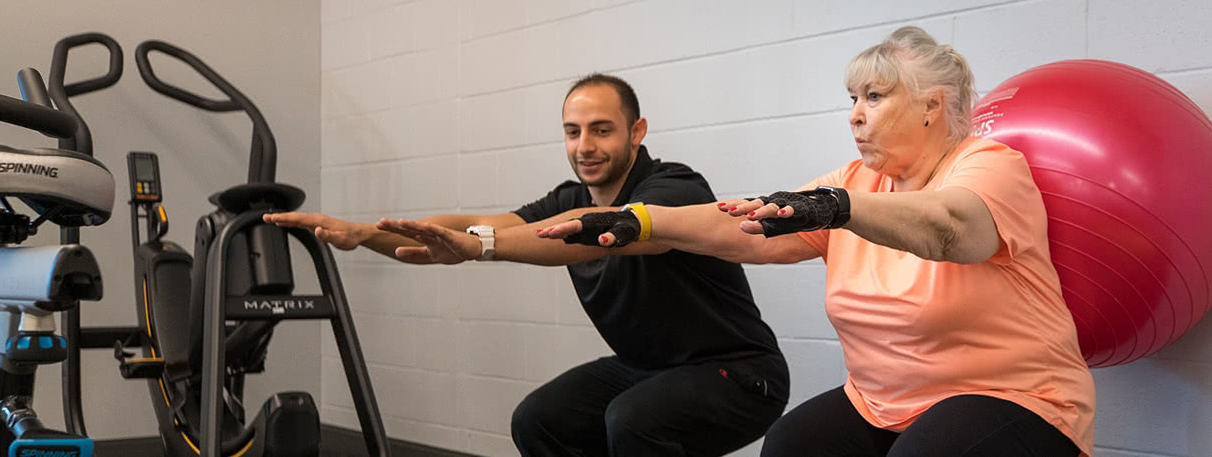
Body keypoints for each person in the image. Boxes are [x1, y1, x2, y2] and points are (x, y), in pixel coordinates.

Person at [388, 27, 1096, 456]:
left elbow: (952, 230)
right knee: (793, 446)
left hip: (1014, 396)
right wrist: (634, 222)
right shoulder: (855, 180)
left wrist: (835, 207)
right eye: (849, 100)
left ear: (933, 108)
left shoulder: (988, 167)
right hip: (885, 401)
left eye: (872, 99)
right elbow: (742, 230)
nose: (854, 117)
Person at [266, 73, 788, 456]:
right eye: (573, 131)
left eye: (602, 130)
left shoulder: (674, 186)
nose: (585, 146)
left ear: (637, 132)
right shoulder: (565, 197)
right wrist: (359, 234)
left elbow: (598, 230)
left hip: (739, 374)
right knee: (540, 420)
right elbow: (470, 222)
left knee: (632, 421)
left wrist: (481, 246)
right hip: (648, 368)